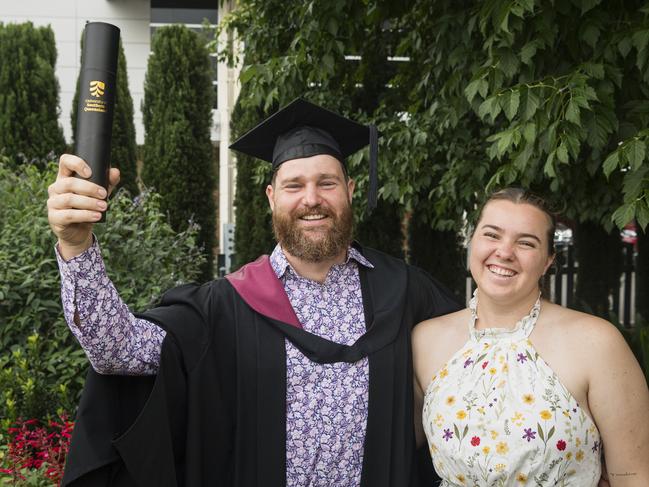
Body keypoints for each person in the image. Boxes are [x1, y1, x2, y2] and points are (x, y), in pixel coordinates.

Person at [48, 98, 460, 487]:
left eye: (327, 183)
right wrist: (75, 244)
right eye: (294, 185)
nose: (311, 199)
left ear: (350, 189)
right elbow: (117, 350)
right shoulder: (226, 304)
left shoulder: (404, 291)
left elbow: (487, 351)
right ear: (271, 197)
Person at [412, 188, 649, 486]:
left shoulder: (596, 343)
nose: (505, 251)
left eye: (526, 242)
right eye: (492, 235)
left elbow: (635, 477)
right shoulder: (425, 341)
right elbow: (388, 448)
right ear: (471, 241)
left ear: (548, 260)